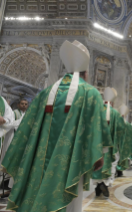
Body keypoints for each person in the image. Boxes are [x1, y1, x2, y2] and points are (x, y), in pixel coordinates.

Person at [2, 40, 112, 212]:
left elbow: (25, 130)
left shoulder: (45, 93)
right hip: (71, 160)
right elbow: (96, 131)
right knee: (70, 201)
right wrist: (99, 155)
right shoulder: (91, 94)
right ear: (87, 73)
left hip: (38, 160)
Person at [93, 87, 124, 197]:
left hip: (97, 144)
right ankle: (105, 183)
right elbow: (120, 129)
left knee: (97, 163)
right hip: (110, 145)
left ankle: (97, 185)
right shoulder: (115, 113)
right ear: (113, 102)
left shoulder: (98, 109)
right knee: (112, 161)